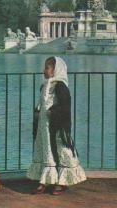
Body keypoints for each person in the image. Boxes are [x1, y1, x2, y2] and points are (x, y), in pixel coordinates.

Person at [27, 56, 86, 195]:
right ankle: (45, 179)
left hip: (56, 125)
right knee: (45, 150)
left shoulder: (60, 86)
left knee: (61, 150)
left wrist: (53, 112)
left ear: (56, 70)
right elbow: (41, 103)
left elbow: (65, 106)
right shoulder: (45, 85)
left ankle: (62, 181)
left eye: (47, 68)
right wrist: (37, 112)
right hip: (44, 125)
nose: (44, 70)